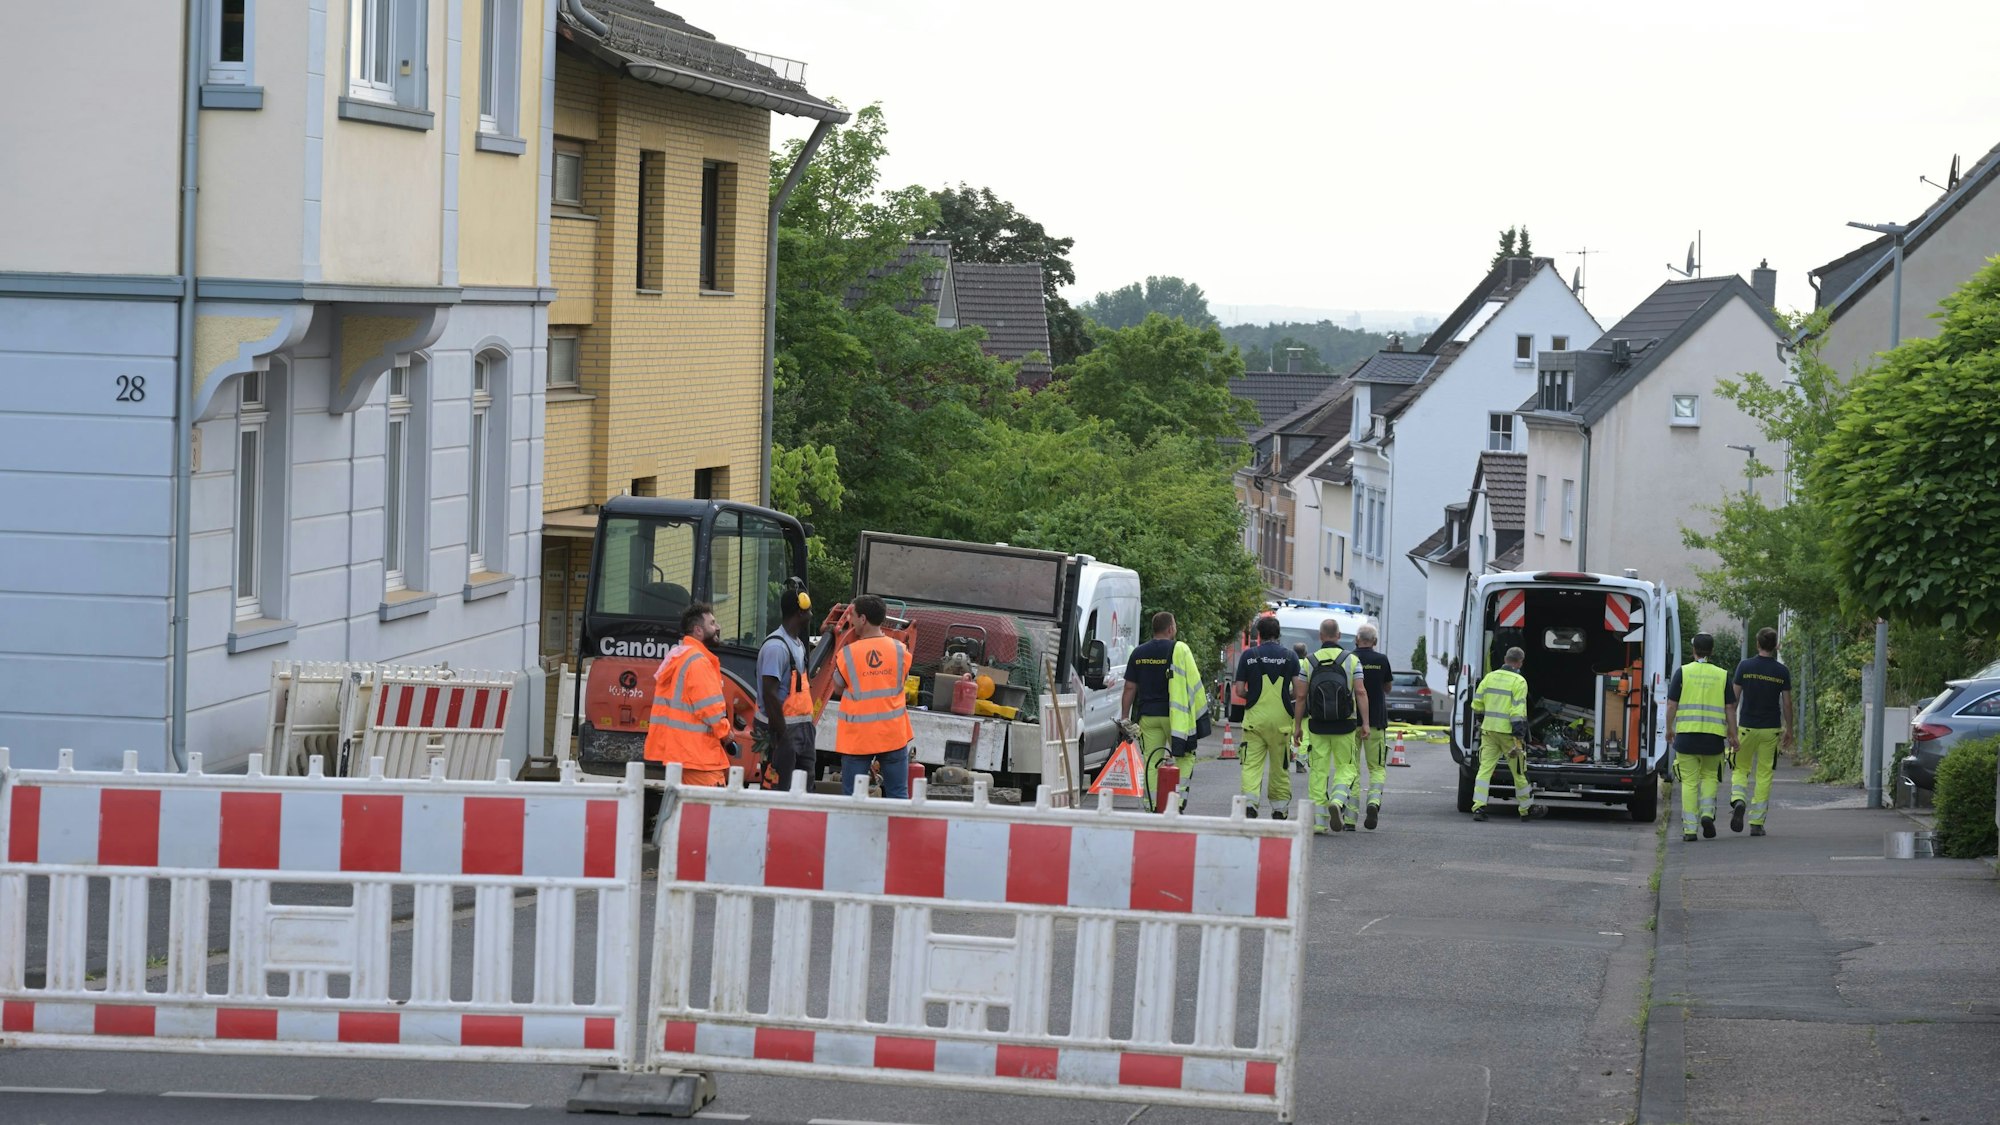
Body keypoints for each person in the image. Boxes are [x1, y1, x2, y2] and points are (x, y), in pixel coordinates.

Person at [1120, 611, 1206, 812]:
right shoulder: (1180, 650)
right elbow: (1194, 683)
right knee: (1185, 757)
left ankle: (1152, 806)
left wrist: (1125, 717)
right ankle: (1178, 799)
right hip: (1175, 718)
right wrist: (1199, 716)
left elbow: (1129, 688)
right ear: (1170, 628)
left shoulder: (1138, 653)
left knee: (1151, 761)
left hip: (1148, 717)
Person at [831, 594, 913, 799]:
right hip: (893, 735)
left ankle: (855, 832)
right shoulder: (900, 650)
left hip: (859, 738)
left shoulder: (848, 654)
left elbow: (838, 688)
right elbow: (901, 681)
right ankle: (896, 832)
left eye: (853, 616)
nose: (851, 620)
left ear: (863, 619)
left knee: (853, 798)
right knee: (898, 796)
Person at [646, 602, 736, 788]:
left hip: (681, 754)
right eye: (712, 623)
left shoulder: (680, 657)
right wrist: (726, 733)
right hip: (699, 757)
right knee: (709, 813)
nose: (717, 627)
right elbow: (711, 710)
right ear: (698, 630)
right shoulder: (698, 662)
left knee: (686, 812)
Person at [1294, 619, 1368, 834]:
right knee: (1347, 767)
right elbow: (1361, 692)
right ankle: (1337, 799)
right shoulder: (1352, 660)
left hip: (1317, 725)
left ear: (1320, 636)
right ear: (1338, 636)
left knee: (1318, 772)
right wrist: (1365, 722)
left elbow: (1300, 696)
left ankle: (1318, 822)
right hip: (1345, 724)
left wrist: (1298, 726)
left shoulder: (1308, 661)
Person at [1664, 632, 1740, 843]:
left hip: (1686, 737)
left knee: (1688, 782)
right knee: (1709, 777)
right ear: (1712, 651)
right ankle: (1707, 814)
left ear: (1693, 650)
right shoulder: (1722, 675)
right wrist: (1733, 735)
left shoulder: (1683, 672)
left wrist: (1669, 728)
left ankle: (1690, 829)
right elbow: (1730, 708)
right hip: (1713, 739)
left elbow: (1671, 705)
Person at [1231, 615, 1300, 819]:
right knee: (1280, 768)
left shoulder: (1249, 656)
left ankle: (1250, 804)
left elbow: (1240, 690)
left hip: (1255, 720)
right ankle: (1279, 809)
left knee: (1251, 765)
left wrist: (1253, 695)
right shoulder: (1290, 657)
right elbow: (1298, 692)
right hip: (1281, 722)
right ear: (1279, 634)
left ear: (1258, 635)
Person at [1730, 628, 1793, 836]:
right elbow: (1787, 703)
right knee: (1764, 774)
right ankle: (1756, 823)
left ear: (1757, 644)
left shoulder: (1744, 666)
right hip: (1771, 729)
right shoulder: (1782, 671)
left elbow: (1734, 699)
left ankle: (1739, 800)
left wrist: (1730, 729)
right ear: (1775, 646)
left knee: (1740, 768)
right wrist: (1789, 729)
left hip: (1746, 727)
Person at [1471, 647, 1545, 822]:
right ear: (1520, 662)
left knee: (1484, 769)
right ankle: (1526, 809)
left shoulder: (1489, 677)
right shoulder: (1519, 681)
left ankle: (1478, 807)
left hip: (1489, 731)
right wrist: (1519, 736)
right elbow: (1517, 711)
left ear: (1505, 658)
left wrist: (1484, 719)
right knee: (1519, 772)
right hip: (1509, 734)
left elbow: (1477, 704)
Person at [754, 583, 816, 791]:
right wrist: (783, 738)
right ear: (800, 613)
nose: (811, 614)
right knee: (779, 790)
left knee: (803, 791)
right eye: (808, 611)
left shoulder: (796, 644)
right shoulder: (776, 647)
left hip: (802, 731)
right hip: (782, 731)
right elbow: (769, 695)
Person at [1351, 624, 1394, 830]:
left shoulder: (1349, 658)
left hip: (1350, 722)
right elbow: (1387, 687)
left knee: (1351, 768)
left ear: (1356, 639)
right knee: (1376, 767)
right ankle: (1373, 802)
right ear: (1375, 641)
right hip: (1376, 721)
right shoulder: (1381, 660)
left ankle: (1350, 819)